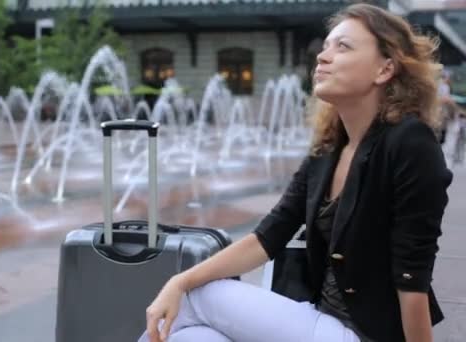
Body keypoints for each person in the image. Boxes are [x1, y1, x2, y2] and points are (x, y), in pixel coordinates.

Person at [139, 4, 453, 342]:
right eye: (326, 45)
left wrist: (183, 286)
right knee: (190, 337)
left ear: (384, 69)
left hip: (364, 333)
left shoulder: (409, 143)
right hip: (320, 321)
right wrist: (178, 280)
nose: (323, 56)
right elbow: (266, 237)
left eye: (343, 46)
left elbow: (412, 278)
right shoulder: (329, 149)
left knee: (195, 299)